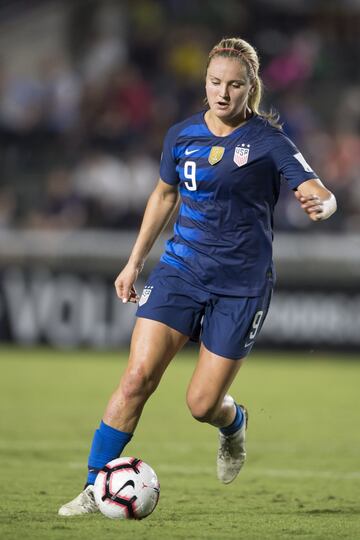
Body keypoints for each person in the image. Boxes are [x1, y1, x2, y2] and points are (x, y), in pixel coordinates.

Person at [58, 37, 337, 516]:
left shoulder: (270, 142)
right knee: (136, 379)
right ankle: (94, 485)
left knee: (201, 404)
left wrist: (322, 203)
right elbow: (164, 196)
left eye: (234, 85)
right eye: (214, 83)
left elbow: (317, 188)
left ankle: (234, 423)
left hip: (241, 286)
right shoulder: (182, 136)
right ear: (204, 83)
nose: (222, 94)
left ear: (251, 88)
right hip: (180, 270)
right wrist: (134, 261)